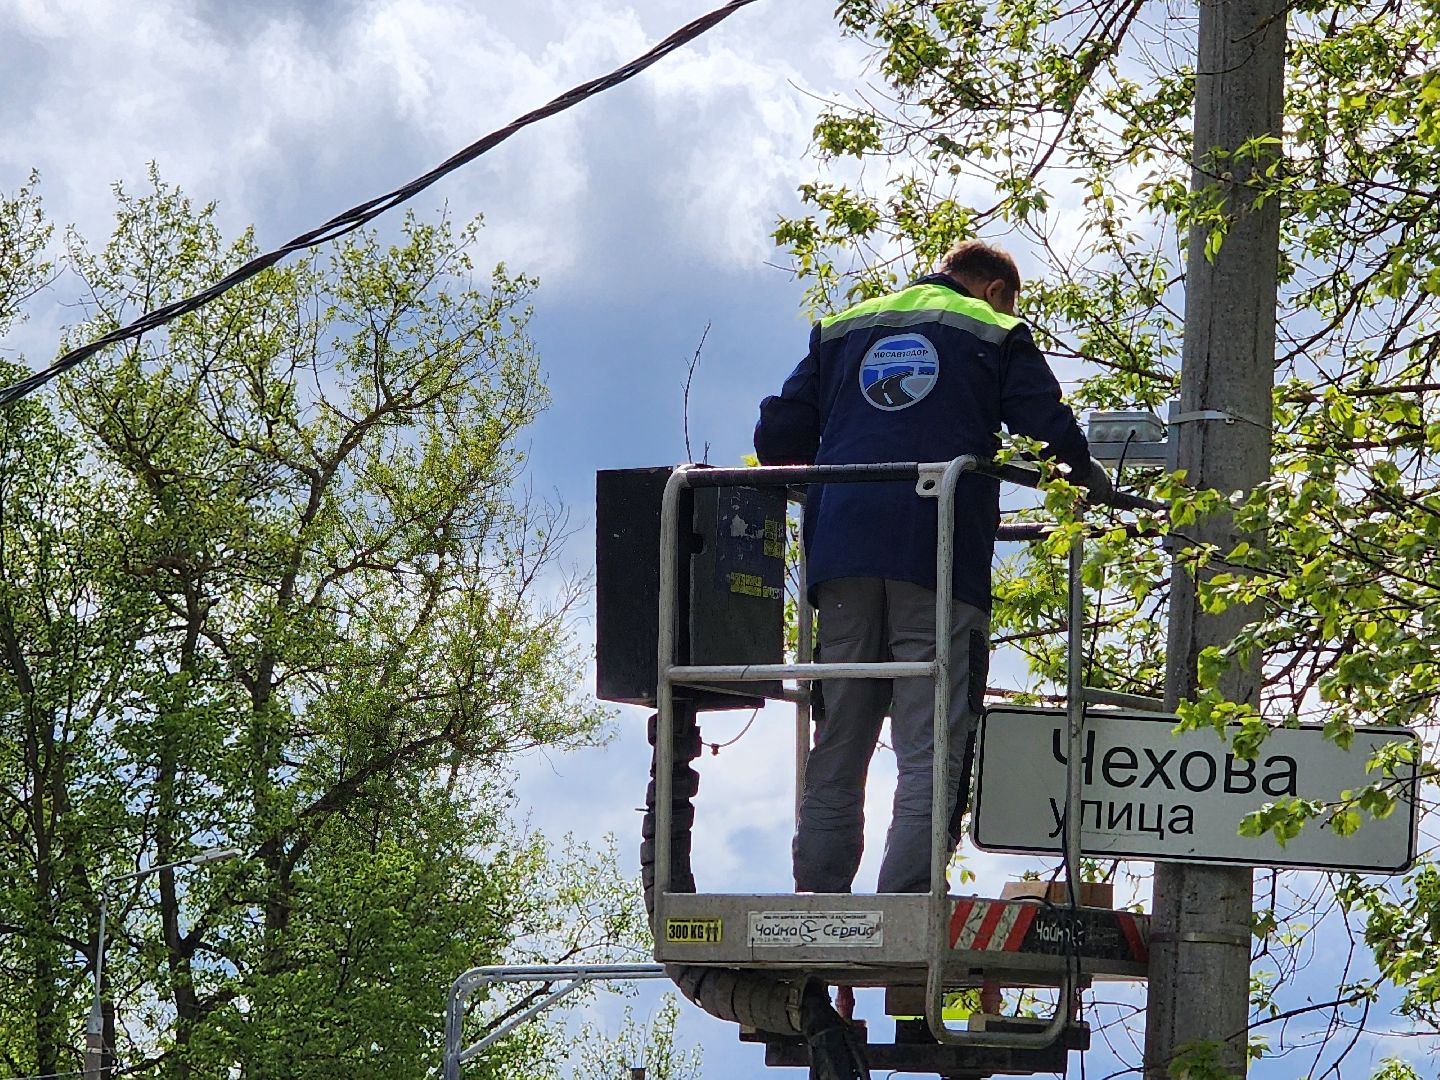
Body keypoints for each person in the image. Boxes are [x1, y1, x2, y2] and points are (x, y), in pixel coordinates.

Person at [754, 240, 1108, 895]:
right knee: (931, 744)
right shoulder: (997, 329)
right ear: (997, 290)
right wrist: (1091, 483)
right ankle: (905, 903)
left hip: (842, 552)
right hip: (937, 553)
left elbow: (778, 441)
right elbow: (1054, 441)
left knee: (841, 736)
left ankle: (818, 896)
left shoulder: (845, 326)